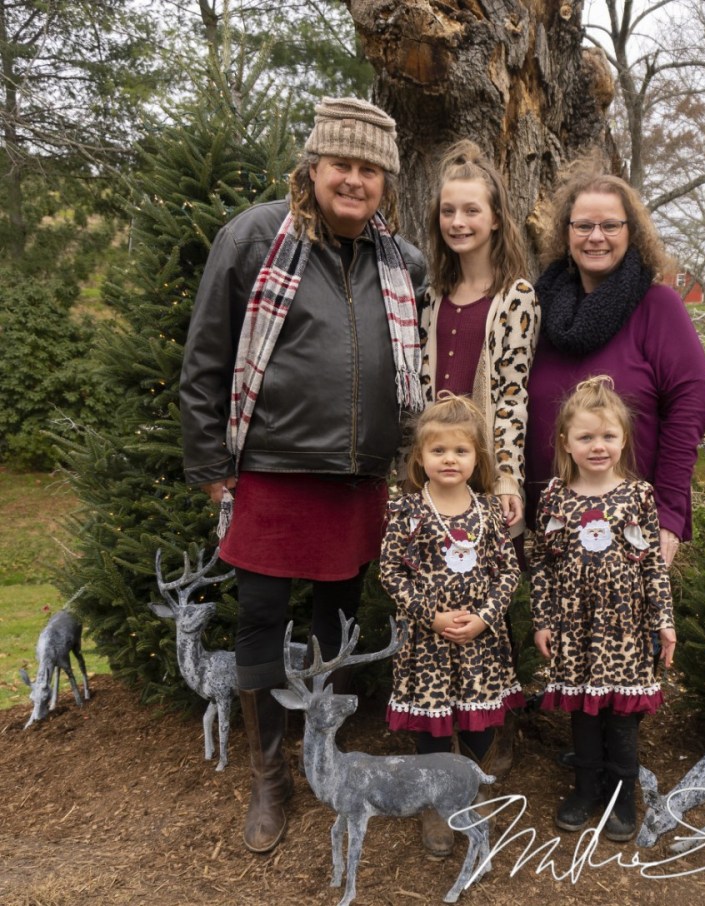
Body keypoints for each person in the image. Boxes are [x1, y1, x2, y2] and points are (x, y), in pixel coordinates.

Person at [180, 97, 426, 855]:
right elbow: (207, 354)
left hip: (358, 477)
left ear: (385, 181)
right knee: (260, 618)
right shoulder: (254, 239)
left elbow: (412, 374)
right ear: (312, 168)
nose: (354, 180)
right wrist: (211, 465)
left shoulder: (404, 264)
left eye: (369, 170)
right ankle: (269, 776)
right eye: (341, 164)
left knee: (338, 625)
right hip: (271, 469)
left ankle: (326, 756)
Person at [525, 162, 705, 568]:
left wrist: (668, 512)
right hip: (550, 536)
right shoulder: (539, 309)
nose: (596, 237)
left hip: (632, 535)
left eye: (611, 225)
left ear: (632, 233)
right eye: (583, 226)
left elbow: (690, 405)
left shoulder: (657, 307)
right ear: (566, 233)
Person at [530, 376, 676, 840]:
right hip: (574, 629)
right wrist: (543, 621)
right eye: (586, 437)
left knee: (621, 716)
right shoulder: (555, 497)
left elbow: (652, 564)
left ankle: (622, 795)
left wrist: (664, 622)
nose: (598, 446)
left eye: (608, 436)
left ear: (624, 439)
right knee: (585, 713)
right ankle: (586, 788)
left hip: (625, 630)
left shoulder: (638, 496)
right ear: (566, 443)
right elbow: (542, 565)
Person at [380, 393, 525, 857]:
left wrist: (484, 617)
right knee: (435, 726)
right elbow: (391, 572)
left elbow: (508, 572)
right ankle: (437, 801)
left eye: (460, 450)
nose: (449, 459)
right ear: (420, 457)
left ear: (476, 458)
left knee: (479, 721)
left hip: (480, 644)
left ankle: (474, 787)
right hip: (428, 645)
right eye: (438, 450)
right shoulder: (407, 510)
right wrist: (431, 615)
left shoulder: (488, 511)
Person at [420, 139, 539, 537]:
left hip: (484, 474)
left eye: (472, 211)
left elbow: (512, 397)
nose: (458, 222)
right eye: (448, 211)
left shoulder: (515, 298)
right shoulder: (432, 297)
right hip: (434, 473)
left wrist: (507, 478)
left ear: (496, 219)